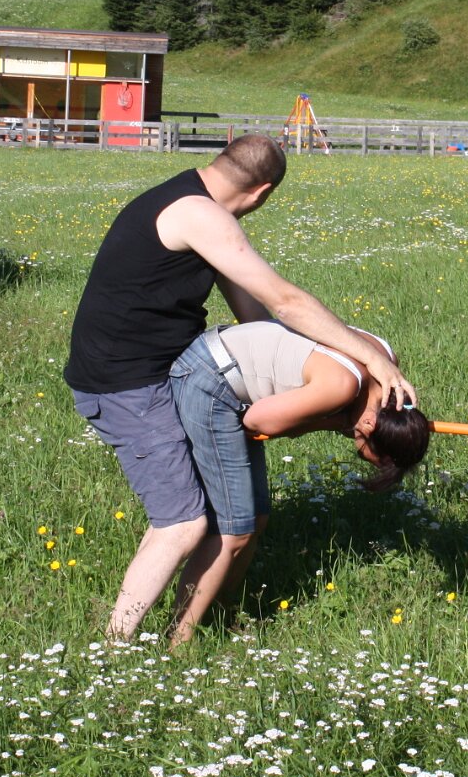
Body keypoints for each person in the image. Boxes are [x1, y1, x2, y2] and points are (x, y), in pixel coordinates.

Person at [64, 135, 417, 642]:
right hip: (125, 384)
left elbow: (253, 318)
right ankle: (114, 647)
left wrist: (301, 377)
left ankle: (199, 623)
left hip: (155, 371)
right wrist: (371, 358)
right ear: (263, 192)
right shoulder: (200, 215)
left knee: (215, 517)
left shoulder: (192, 204)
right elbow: (284, 302)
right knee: (183, 524)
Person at [164, 320, 431, 646]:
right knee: (234, 529)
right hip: (209, 378)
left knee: (256, 519)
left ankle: (220, 614)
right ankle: (178, 640)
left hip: (229, 377)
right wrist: (333, 422)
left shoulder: (385, 366)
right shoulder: (342, 387)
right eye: (361, 448)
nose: (353, 439)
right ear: (369, 425)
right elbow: (256, 421)